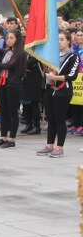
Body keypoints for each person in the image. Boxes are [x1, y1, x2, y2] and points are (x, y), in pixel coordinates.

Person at [36, 30, 80, 158]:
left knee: (59, 119)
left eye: (62, 39)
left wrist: (56, 77)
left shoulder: (73, 57)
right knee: (51, 118)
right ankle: (49, 144)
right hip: (49, 89)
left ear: (68, 41)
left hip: (63, 90)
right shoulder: (52, 55)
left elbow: (72, 76)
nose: (59, 42)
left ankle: (60, 147)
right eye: (58, 39)